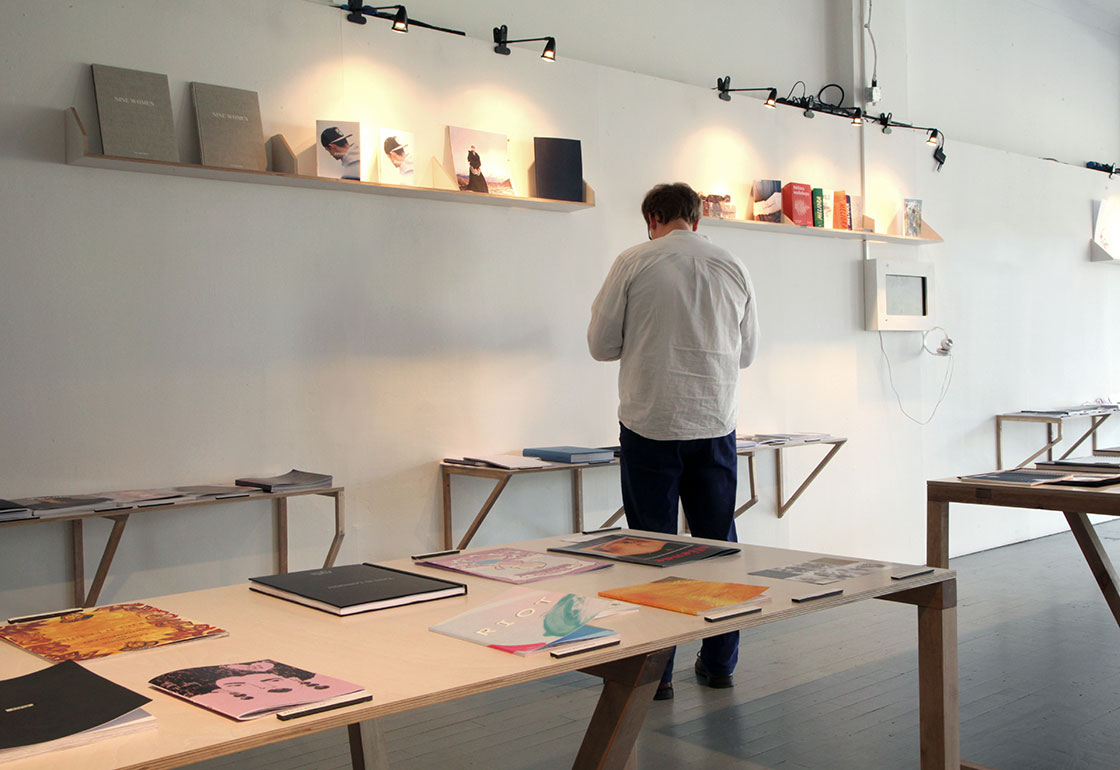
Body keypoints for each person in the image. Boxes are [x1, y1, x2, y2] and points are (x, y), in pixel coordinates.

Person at [587, 182, 759, 700]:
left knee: (650, 547)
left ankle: (657, 673)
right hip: (714, 422)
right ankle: (720, 661)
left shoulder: (634, 261)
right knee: (717, 544)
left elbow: (601, 345)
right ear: (697, 219)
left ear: (654, 217)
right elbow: (746, 352)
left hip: (651, 423)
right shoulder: (732, 264)